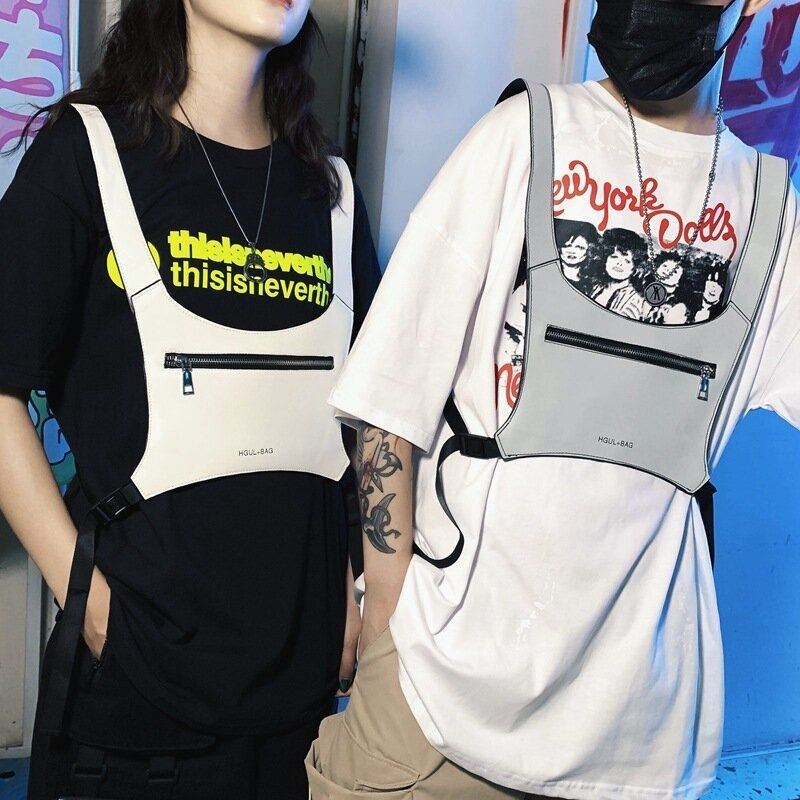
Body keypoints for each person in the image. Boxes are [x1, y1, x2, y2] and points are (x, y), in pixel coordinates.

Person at [307, 1, 799, 799]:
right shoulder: (524, 135)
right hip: (433, 708)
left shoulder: (772, 207)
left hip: (635, 738)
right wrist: (388, 630)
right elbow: (390, 396)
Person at [0, 1, 380, 798]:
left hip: (303, 698)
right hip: (138, 702)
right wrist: (87, 602)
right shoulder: (88, 152)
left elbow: (376, 418)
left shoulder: (332, 190)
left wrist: (360, 588)